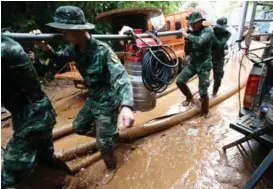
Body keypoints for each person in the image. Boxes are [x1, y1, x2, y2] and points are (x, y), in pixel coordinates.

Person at [32, 6, 135, 173]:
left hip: (108, 100)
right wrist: (45, 48)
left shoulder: (103, 50)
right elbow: (58, 59)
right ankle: (110, 137)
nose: (62, 34)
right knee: (79, 126)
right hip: (93, 97)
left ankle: (112, 169)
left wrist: (126, 106)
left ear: (78, 29)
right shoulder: (74, 49)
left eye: (64, 31)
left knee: (102, 144)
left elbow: (121, 77)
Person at [1, 35, 77, 188]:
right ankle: (68, 181)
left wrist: (45, 49)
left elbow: (52, 64)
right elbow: (47, 66)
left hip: (34, 119)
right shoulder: (10, 44)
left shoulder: (5, 49)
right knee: (45, 159)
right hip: (34, 114)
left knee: (9, 175)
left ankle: (66, 182)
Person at [178, 12, 214, 118]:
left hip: (204, 63)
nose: (192, 25)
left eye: (194, 23)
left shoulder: (208, 30)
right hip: (194, 62)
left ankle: (205, 112)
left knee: (203, 91)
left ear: (200, 22)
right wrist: (187, 53)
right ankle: (189, 97)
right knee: (180, 81)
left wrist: (187, 35)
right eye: (191, 23)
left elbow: (200, 41)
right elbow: (188, 48)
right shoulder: (193, 31)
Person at [211, 17, 231, 96]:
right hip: (207, 57)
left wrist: (211, 34)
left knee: (218, 76)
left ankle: (214, 93)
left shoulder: (227, 33)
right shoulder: (210, 29)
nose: (221, 29)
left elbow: (220, 44)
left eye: (222, 28)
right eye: (219, 28)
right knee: (203, 76)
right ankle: (203, 94)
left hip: (219, 57)